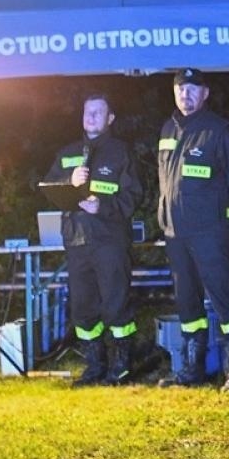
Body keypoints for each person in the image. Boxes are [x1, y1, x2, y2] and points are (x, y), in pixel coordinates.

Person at [156, 68, 229, 390]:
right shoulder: (168, 129)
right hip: (175, 232)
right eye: (181, 89)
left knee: (225, 298)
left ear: (205, 93)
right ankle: (191, 371)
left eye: (193, 89)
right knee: (187, 303)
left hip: (209, 232)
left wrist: (226, 215)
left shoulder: (219, 131)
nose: (186, 94)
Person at [38, 93, 142, 386]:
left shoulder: (121, 152)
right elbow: (49, 187)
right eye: (87, 112)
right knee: (83, 308)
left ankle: (122, 365)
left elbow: (133, 195)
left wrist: (104, 206)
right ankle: (95, 365)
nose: (91, 117)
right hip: (76, 240)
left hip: (109, 240)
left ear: (110, 119)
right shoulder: (67, 153)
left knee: (115, 303)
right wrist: (68, 183)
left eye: (98, 112)